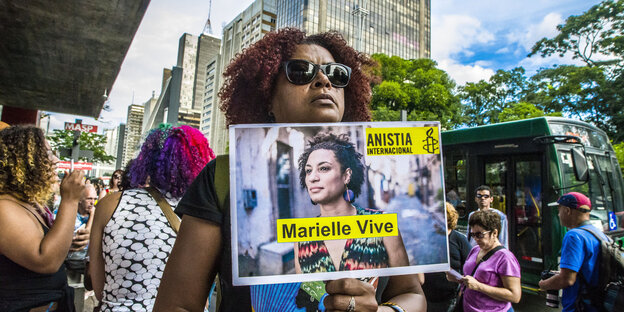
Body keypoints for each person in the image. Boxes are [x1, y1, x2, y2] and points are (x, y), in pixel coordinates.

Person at [154, 28, 426, 312]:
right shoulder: (223, 178)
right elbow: (177, 304)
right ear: (267, 97)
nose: (323, 80)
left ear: (347, 174)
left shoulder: (381, 222)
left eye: (336, 74)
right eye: (300, 71)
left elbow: (413, 294)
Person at [88, 125, 215, 311]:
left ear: (148, 160)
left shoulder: (110, 204)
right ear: (199, 161)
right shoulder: (201, 212)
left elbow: (99, 288)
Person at [295, 132, 409, 274]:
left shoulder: (381, 224)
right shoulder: (301, 237)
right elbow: (300, 294)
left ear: (346, 175)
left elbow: (410, 290)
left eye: (323, 168)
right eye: (308, 171)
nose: (312, 177)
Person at [0, 125, 86, 311]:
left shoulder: (29, 202)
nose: (56, 160)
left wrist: (67, 244)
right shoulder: (3, 207)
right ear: (22, 160)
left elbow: (39, 245)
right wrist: (70, 200)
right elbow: (45, 261)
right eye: (47, 153)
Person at [538, 192, 607, 312]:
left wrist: (544, 284)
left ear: (567, 210)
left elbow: (567, 279)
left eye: (559, 210)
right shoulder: (599, 234)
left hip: (580, 307)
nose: (558, 215)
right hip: (598, 304)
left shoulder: (574, 236)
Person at [447, 209, 521, 311]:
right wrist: (458, 278)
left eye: (479, 235)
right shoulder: (475, 250)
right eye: (473, 235)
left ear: (494, 233)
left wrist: (478, 286)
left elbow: (515, 296)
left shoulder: (505, 258)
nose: (476, 239)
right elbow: (472, 278)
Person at [422, 202, 471, 311]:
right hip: (426, 295)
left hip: (450, 297)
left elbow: (469, 266)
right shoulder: (426, 238)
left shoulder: (459, 239)